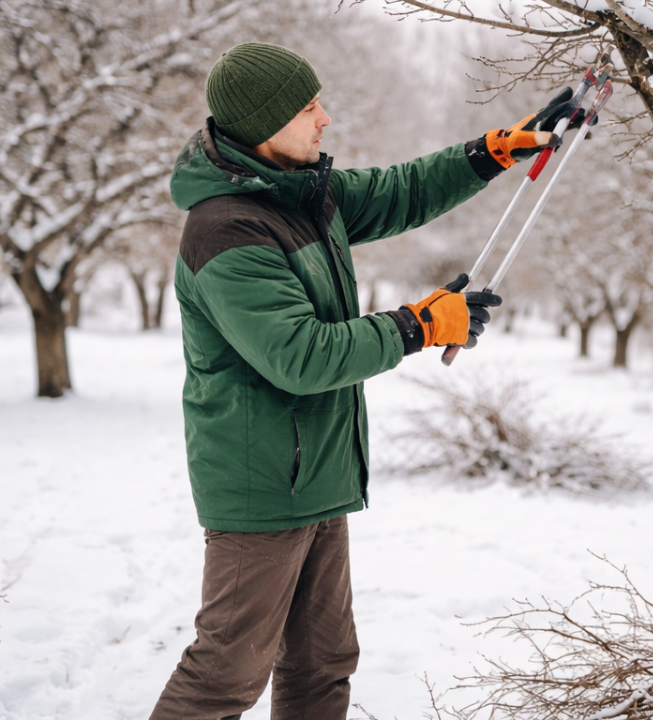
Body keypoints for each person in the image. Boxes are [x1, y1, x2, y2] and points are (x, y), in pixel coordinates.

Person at [150, 42, 584, 720]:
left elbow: (400, 190)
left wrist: (493, 150)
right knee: (227, 675)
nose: (325, 118)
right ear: (264, 126)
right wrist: (417, 326)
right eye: (308, 107)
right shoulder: (226, 229)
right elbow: (300, 354)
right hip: (261, 486)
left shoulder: (299, 195)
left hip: (316, 471)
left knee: (323, 665)